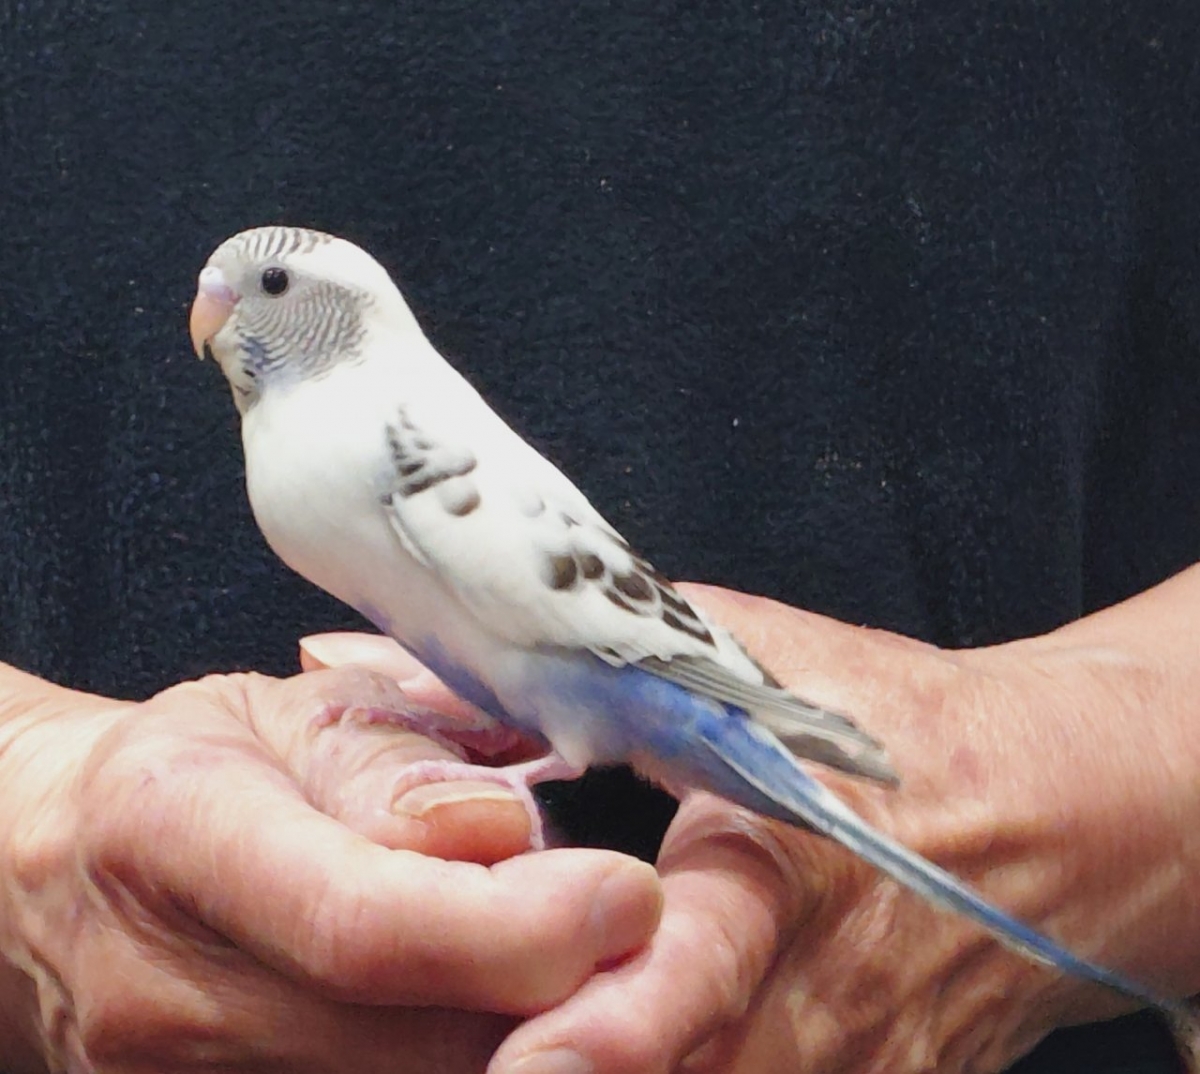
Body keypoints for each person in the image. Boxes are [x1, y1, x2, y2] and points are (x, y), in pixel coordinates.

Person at [0, 2, 1196, 1071]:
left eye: (266, 291)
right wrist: (33, 810)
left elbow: (566, 619)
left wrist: (1065, 788)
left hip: (656, 717)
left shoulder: (406, 449)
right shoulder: (327, 452)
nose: (220, 308)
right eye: (225, 289)